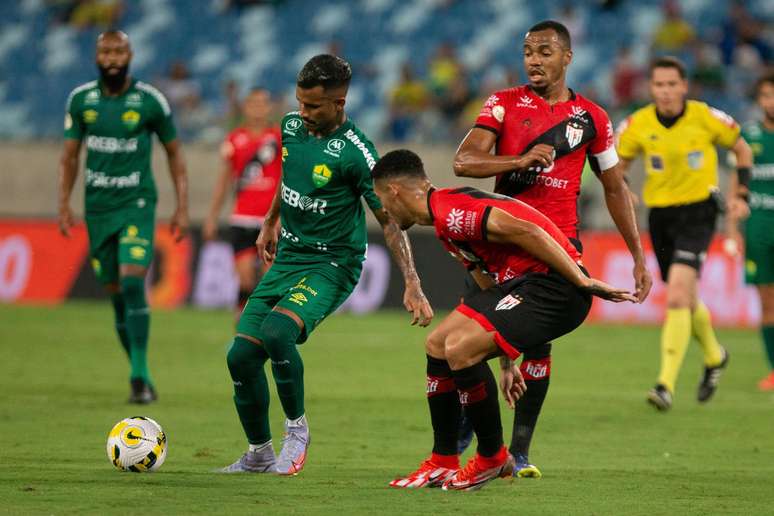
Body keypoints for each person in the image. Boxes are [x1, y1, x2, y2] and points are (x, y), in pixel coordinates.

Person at [453, 20, 652, 477]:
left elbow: (616, 189)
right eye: (527, 51)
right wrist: (518, 160)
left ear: (567, 57)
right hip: (498, 242)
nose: (534, 60)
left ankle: (519, 451)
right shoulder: (502, 104)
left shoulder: (593, 119)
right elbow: (465, 161)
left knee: (537, 346)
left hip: (555, 249)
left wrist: (639, 256)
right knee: (467, 346)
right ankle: (470, 426)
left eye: (544, 51)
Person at [374, 149, 636, 491]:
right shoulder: (443, 222)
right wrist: (505, 359)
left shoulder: (452, 213)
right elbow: (487, 283)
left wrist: (582, 279)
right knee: (438, 345)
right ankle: (442, 461)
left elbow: (526, 230)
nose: (384, 212)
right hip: (521, 285)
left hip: (556, 288)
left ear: (394, 191)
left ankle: (492, 458)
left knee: (460, 349)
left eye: (381, 200)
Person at [221, 55, 433, 476]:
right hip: (289, 258)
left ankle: (296, 432)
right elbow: (289, 177)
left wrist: (412, 281)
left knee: (278, 331)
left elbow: (389, 221)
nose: (303, 113)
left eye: (313, 106)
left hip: (332, 264)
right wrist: (269, 220)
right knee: (240, 356)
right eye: (300, 103)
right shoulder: (290, 127)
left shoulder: (356, 153)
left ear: (339, 102)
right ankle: (259, 452)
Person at [58, 30, 189, 403]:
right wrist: (64, 204)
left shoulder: (150, 101)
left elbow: (175, 154)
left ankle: (139, 375)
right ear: (96, 56)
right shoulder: (81, 101)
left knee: (132, 282)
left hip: (137, 203)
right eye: (106, 51)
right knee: (115, 294)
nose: (113, 57)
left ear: (130, 54)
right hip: (98, 207)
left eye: (119, 50)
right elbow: (69, 157)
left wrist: (181, 206)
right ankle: (137, 370)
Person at [616, 56, 753, 410]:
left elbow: (742, 148)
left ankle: (665, 384)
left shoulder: (706, 117)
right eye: (659, 85)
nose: (665, 91)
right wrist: (624, 186)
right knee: (685, 295)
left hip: (699, 211)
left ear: (684, 86)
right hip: (661, 216)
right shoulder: (638, 123)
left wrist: (741, 194)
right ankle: (714, 354)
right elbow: (618, 164)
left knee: (677, 295)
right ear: (651, 87)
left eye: (672, 84)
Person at [203, 88, 282, 319]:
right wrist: (212, 217)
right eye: (253, 103)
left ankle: (264, 335)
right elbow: (224, 181)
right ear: (245, 107)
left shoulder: (279, 138)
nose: (258, 108)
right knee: (245, 279)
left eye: (262, 103)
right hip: (242, 218)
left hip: (270, 219)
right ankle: (241, 331)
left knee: (269, 280)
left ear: (269, 107)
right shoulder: (234, 139)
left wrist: (283, 216)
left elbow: (289, 178)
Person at [728, 72, 774, 391]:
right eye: (766, 95)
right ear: (759, 100)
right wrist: (732, 230)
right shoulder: (749, 136)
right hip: (758, 227)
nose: (771, 102)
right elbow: (736, 185)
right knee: (768, 304)